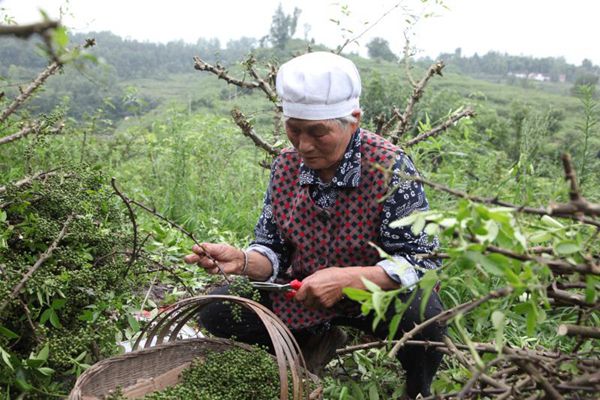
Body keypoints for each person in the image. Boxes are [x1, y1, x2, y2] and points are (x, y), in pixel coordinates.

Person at [184, 51, 445, 398]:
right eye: (294, 130)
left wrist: (351, 279)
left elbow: (421, 260)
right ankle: (299, 350)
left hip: (372, 299)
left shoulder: (389, 168)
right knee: (219, 309)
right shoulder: (286, 167)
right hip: (299, 294)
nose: (304, 145)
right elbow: (273, 249)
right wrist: (244, 261)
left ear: (353, 121)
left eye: (317, 133)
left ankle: (418, 391)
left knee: (425, 317)